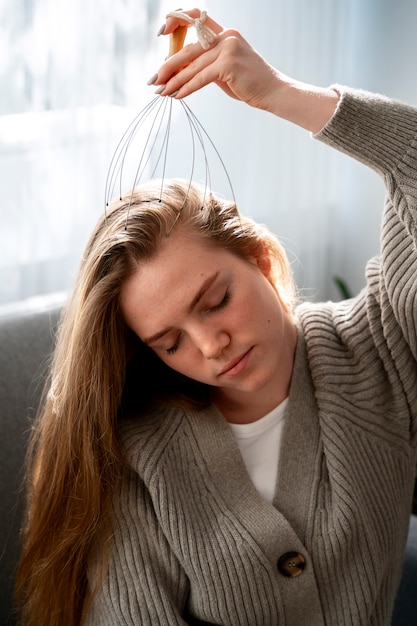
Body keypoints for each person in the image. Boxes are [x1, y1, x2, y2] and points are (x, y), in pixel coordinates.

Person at [15, 8, 417, 626]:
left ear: (258, 256)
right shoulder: (140, 458)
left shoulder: (380, 351)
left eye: (215, 300)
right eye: (170, 341)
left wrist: (282, 95)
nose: (212, 344)